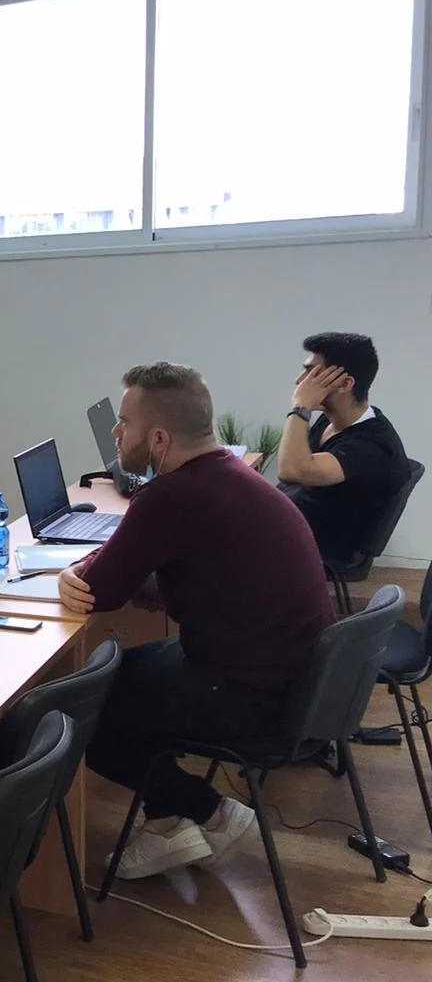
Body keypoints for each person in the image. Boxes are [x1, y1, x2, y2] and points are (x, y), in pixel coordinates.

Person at [58, 362, 333, 880]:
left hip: (252, 695)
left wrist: (71, 572)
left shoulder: (171, 496)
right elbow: (179, 570)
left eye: (125, 422)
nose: (116, 433)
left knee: (85, 709)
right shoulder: (231, 474)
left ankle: (212, 813)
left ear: (159, 438)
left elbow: (98, 591)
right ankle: (167, 827)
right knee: (121, 679)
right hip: (291, 678)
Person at [276, 332, 409, 568]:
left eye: (312, 373)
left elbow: (292, 470)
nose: (300, 382)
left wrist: (300, 407)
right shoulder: (330, 420)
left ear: (346, 383)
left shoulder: (371, 445)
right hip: (288, 524)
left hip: (315, 546)